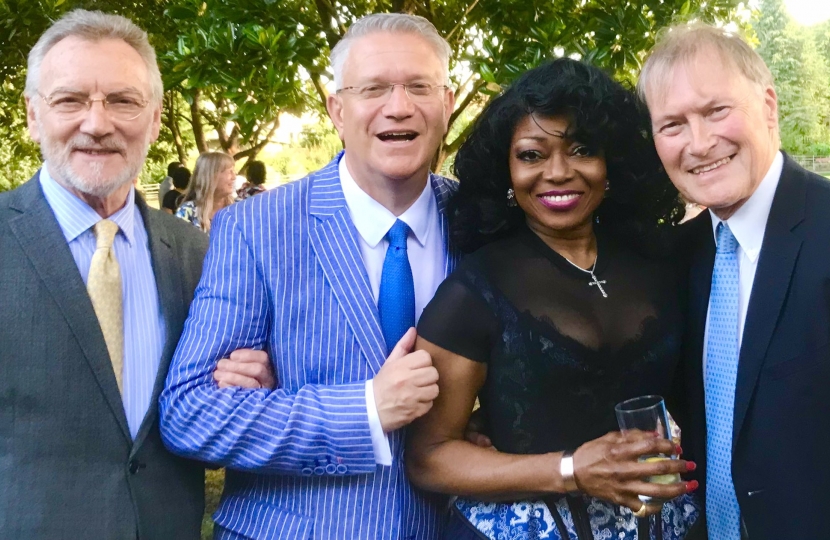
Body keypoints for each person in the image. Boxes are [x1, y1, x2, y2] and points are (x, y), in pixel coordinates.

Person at [160, 13, 457, 540]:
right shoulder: (255, 229)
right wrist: (365, 411)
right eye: (374, 88)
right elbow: (190, 411)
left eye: (419, 86)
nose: (399, 106)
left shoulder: (481, 221)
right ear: (337, 110)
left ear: (448, 103)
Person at [0, 10, 273, 539]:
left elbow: (214, 401)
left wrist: (251, 380)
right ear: (33, 115)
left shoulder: (199, 256)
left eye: (123, 101)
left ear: (153, 118)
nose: (98, 123)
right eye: (70, 100)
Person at [406, 59, 699, 540]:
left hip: (669, 525)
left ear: (613, 162)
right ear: (505, 168)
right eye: (531, 155)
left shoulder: (659, 263)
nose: (558, 173)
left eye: (581, 149)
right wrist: (570, 470)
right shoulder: (475, 290)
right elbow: (428, 458)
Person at [638, 23, 830, 540]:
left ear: (768, 106)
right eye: (672, 124)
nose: (700, 143)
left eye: (716, 111)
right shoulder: (680, 256)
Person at [175, 151, 236, 232]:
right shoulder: (188, 212)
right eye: (229, 172)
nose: (234, 177)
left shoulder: (239, 208)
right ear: (210, 176)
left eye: (234, 171)